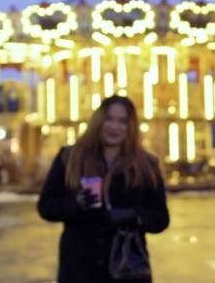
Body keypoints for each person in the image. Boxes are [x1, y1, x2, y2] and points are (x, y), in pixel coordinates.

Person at [37, 95, 170, 283]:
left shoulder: (146, 165)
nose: (114, 127)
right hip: (81, 271)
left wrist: (132, 214)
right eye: (109, 118)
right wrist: (76, 204)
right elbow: (46, 206)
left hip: (127, 271)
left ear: (130, 126)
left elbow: (160, 218)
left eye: (122, 121)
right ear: (99, 121)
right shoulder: (70, 158)